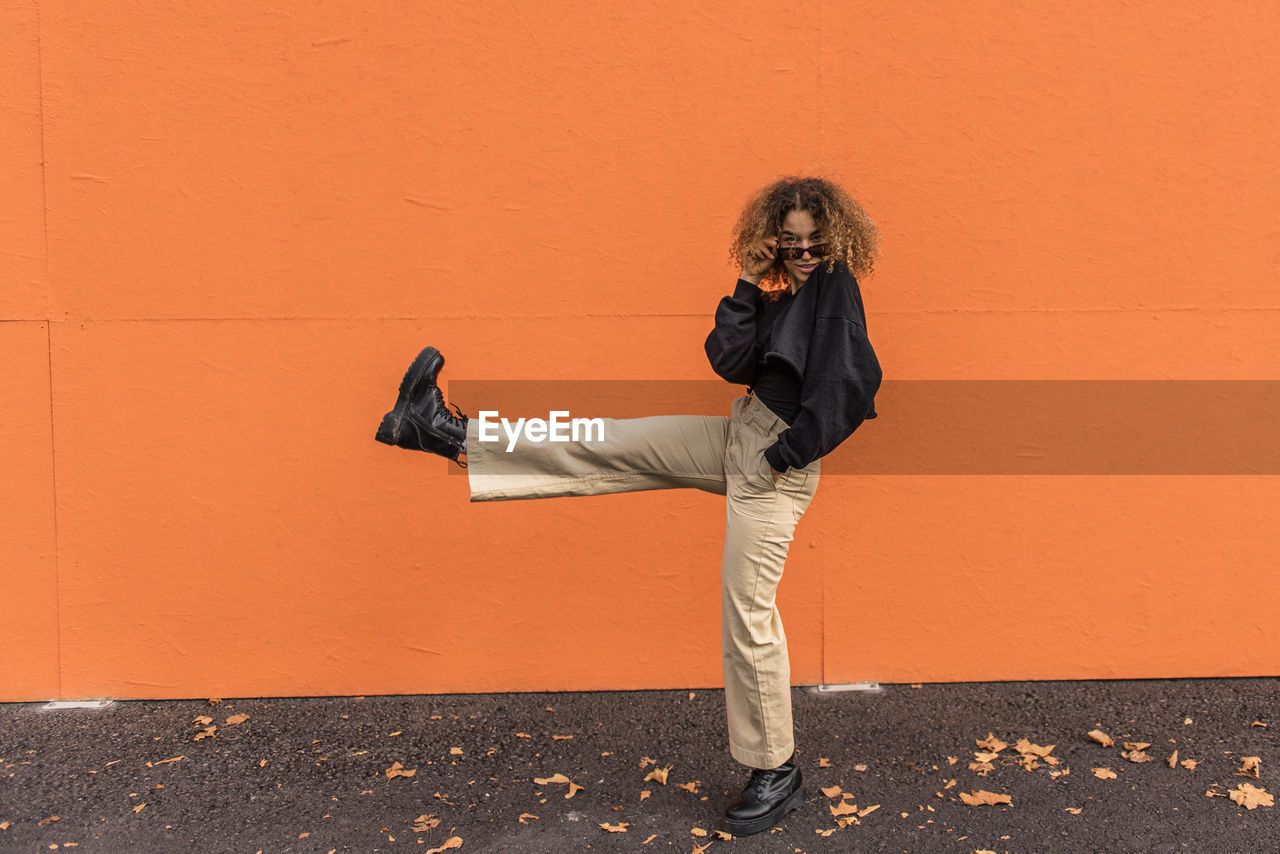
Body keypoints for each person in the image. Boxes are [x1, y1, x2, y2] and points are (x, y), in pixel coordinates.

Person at [374, 175, 882, 836]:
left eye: (814, 243)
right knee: (611, 441)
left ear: (836, 239)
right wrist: (751, 281)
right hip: (742, 432)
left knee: (746, 611)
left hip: (772, 462)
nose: (805, 252)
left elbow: (854, 384)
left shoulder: (836, 287)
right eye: (791, 243)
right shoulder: (790, 291)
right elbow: (727, 358)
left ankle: (776, 771)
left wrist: (788, 453)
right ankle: (447, 432)